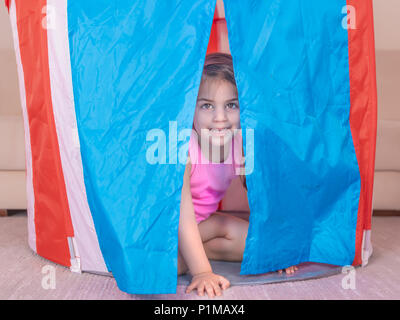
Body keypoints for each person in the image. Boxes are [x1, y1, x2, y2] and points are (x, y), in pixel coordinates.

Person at [178, 53, 298, 298]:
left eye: (231, 105)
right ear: (190, 109)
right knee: (170, 265)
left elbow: (262, 194)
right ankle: (194, 255)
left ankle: (197, 249)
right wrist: (201, 272)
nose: (220, 118)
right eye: (207, 105)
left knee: (261, 243)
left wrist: (274, 245)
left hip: (208, 225)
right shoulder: (183, 149)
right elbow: (182, 216)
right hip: (173, 227)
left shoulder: (241, 146)